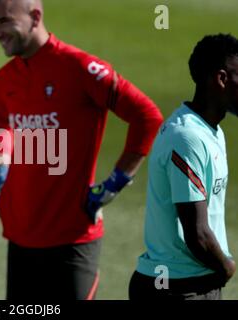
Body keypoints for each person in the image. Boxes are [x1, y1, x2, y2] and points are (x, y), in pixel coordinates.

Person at [0, 0, 164, 299]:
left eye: (3, 21)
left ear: (35, 16)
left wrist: (116, 182)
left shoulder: (81, 68)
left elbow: (146, 116)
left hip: (73, 240)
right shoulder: (6, 78)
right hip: (20, 237)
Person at [129, 33, 237, 300]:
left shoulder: (211, 131)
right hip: (176, 288)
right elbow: (198, 235)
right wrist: (227, 267)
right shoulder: (186, 138)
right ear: (222, 79)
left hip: (196, 280)